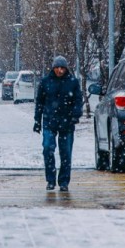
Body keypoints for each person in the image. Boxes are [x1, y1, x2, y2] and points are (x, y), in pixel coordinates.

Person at [34, 56, 83, 192]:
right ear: (53, 68)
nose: (60, 71)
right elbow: (39, 102)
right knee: (47, 149)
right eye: (57, 68)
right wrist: (37, 120)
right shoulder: (45, 82)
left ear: (66, 68)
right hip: (49, 121)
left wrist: (75, 115)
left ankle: (64, 182)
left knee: (66, 153)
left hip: (67, 122)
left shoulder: (72, 82)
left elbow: (78, 100)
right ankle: (50, 180)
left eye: (62, 68)